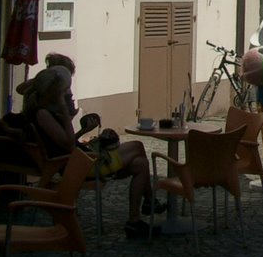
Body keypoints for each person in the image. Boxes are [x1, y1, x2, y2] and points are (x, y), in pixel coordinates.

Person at [22, 66, 161, 238]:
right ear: (55, 93)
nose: (68, 95)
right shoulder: (43, 114)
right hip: (80, 167)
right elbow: (66, 144)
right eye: (65, 92)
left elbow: (66, 142)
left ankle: (135, 221)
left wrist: (82, 131)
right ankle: (149, 201)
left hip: (80, 161)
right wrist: (65, 112)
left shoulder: (45, 112)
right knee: (137, 146)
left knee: (141, 164)